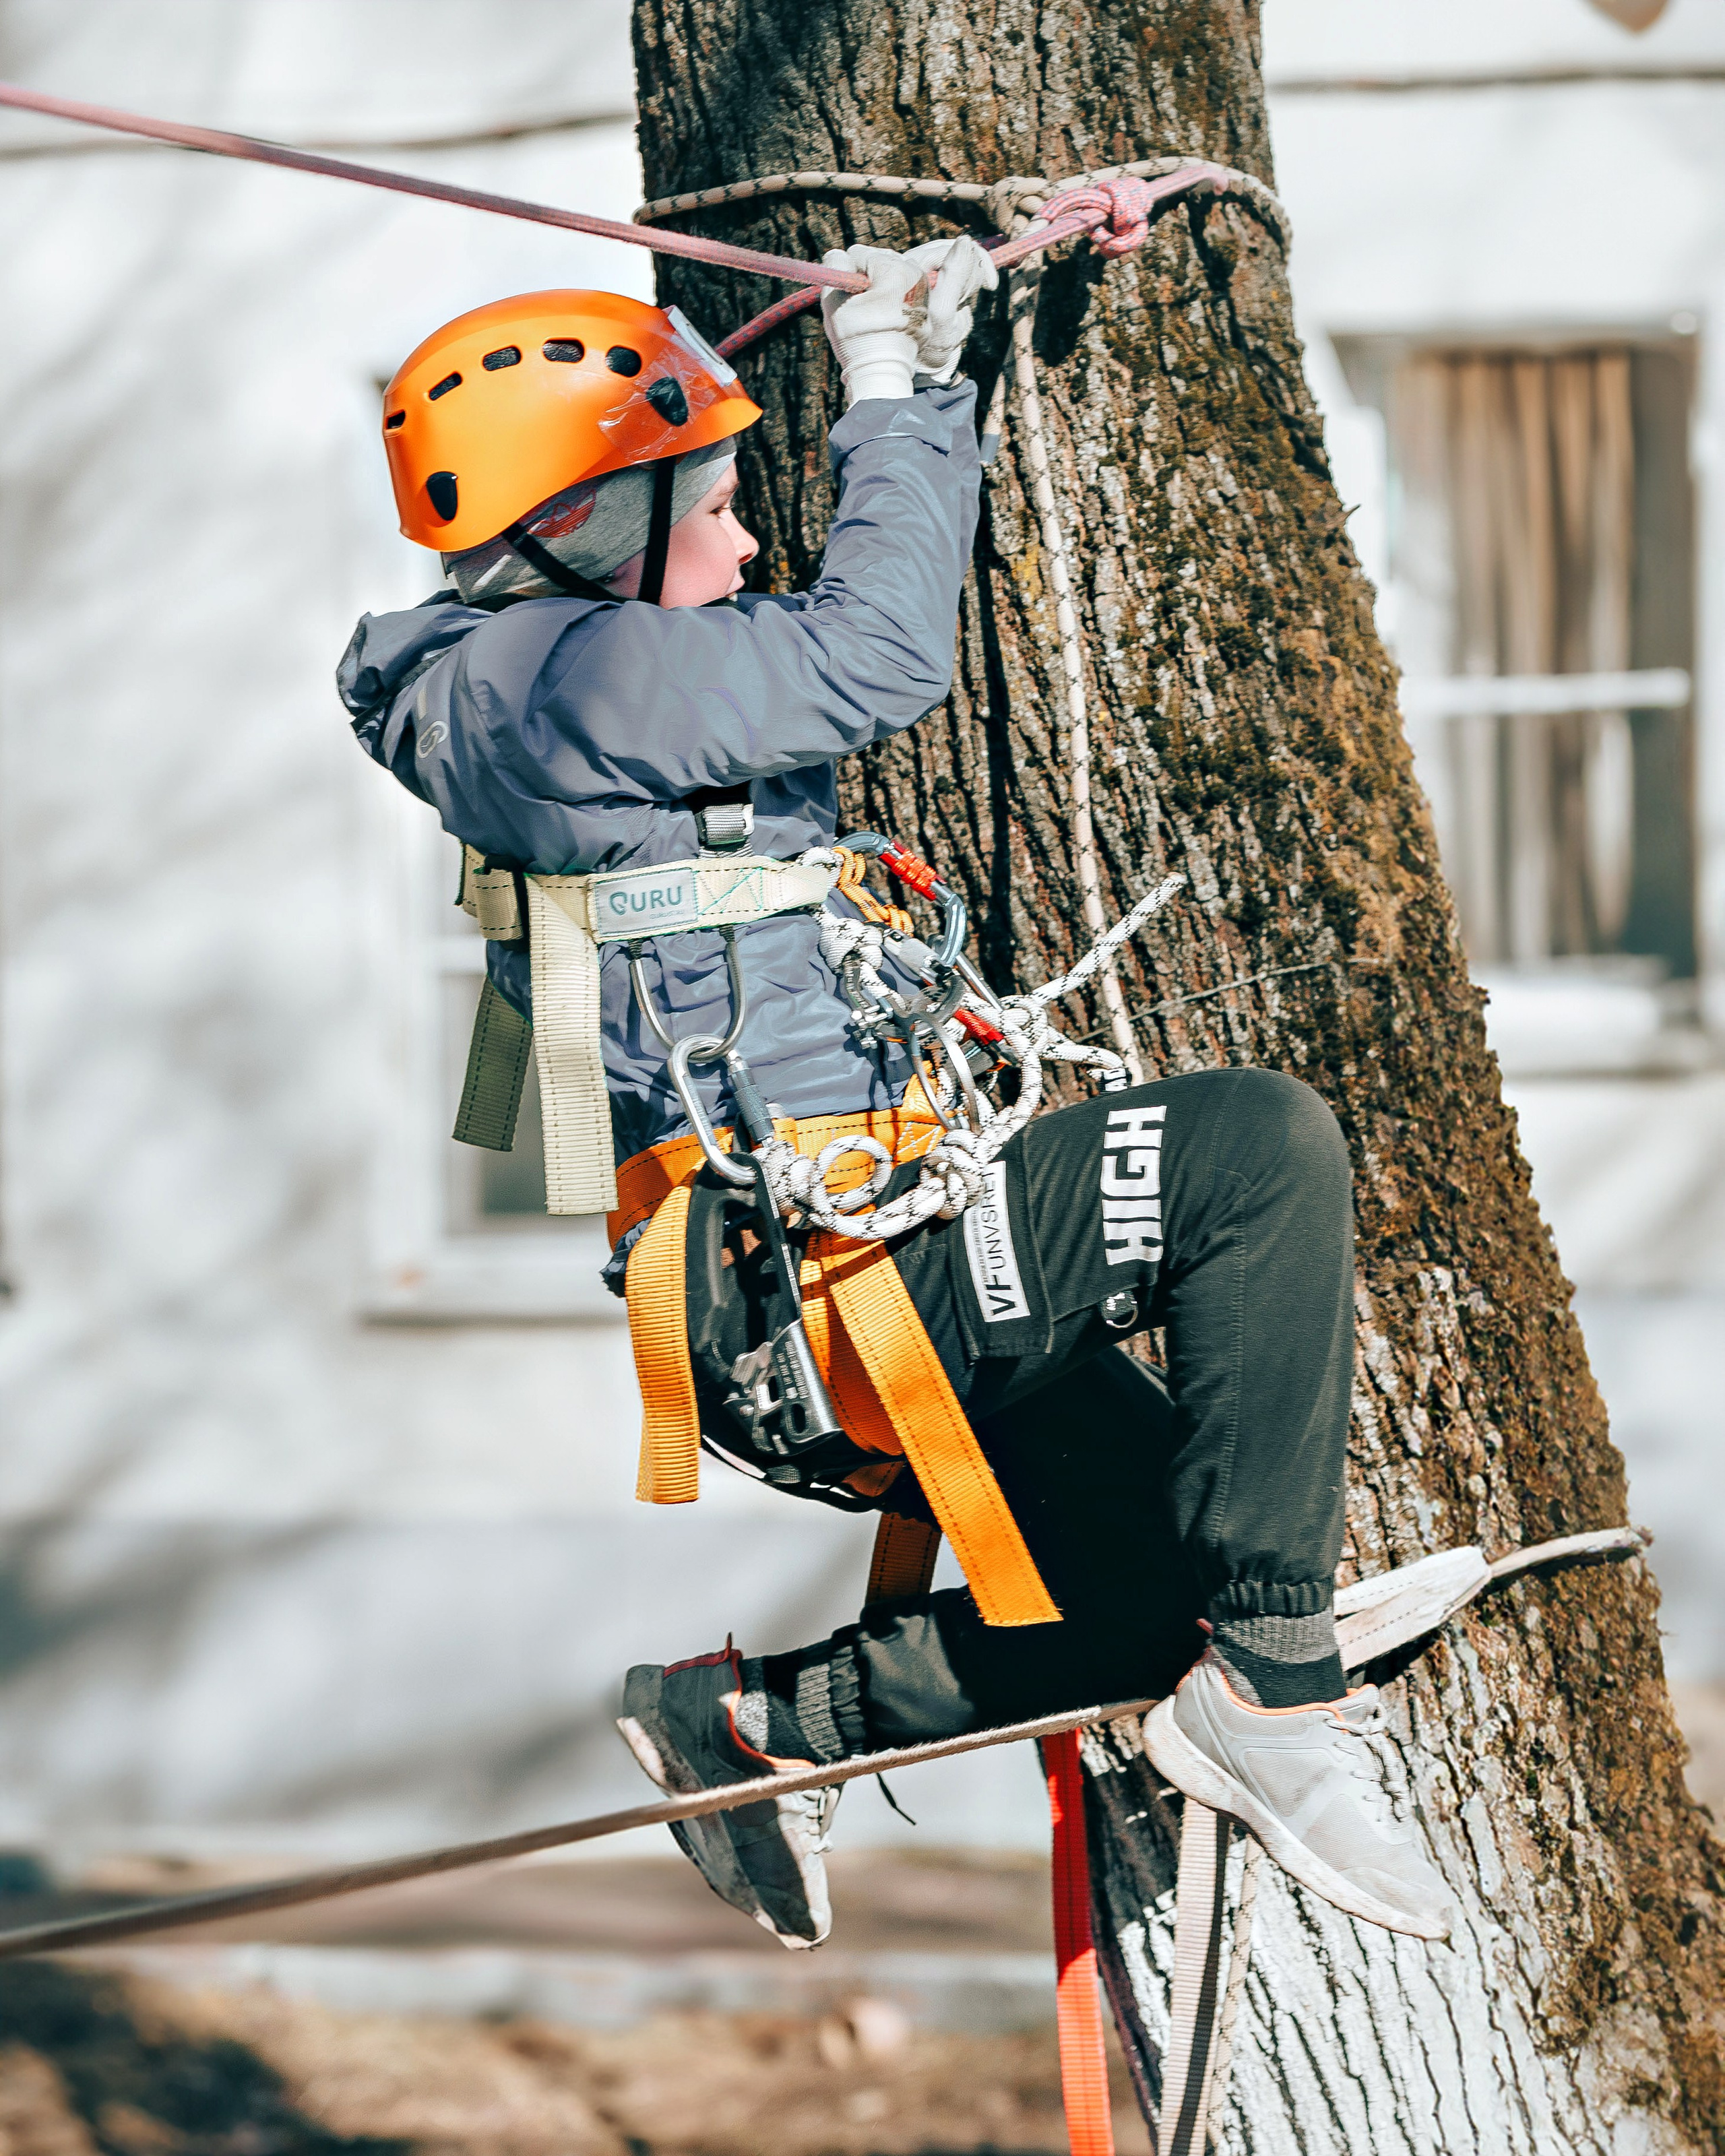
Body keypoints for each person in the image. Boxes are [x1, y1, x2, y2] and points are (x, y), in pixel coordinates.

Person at [338, 244, 1451, 1959]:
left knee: (1146, 1601)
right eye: (715, 508)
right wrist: (895, 396)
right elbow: (871, 655)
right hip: (841, 1276)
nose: (745, 545)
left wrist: (916, 387)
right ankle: (1274, 1697)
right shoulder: (562, 681)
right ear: (580, 527)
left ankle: (760, 1724)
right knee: (1251, 1149)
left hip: (816, 1276)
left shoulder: (532, 691)